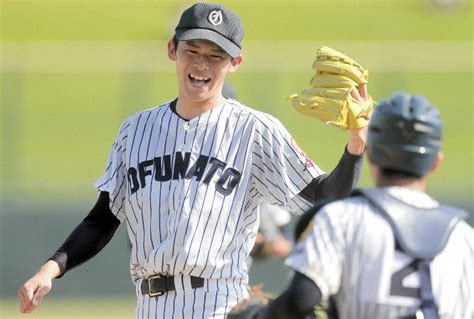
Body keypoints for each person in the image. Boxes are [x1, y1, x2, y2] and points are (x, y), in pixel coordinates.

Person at [18, 3, 369, 318]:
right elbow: (103, 219)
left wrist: (356, 143)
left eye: (217, 55)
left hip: (219, 301)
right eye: (193, 50)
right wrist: (52, 268)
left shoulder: (255, 130)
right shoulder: (135, 130)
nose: (201, 63)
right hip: (149, 306)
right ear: (172, 50)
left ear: (235, 63)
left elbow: (326, 199)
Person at [257, 92, 473, 319]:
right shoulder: (464, 239)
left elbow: (299, 301)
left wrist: (260, 314)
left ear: (371, 154)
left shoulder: (340, 219)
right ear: (435, 162)